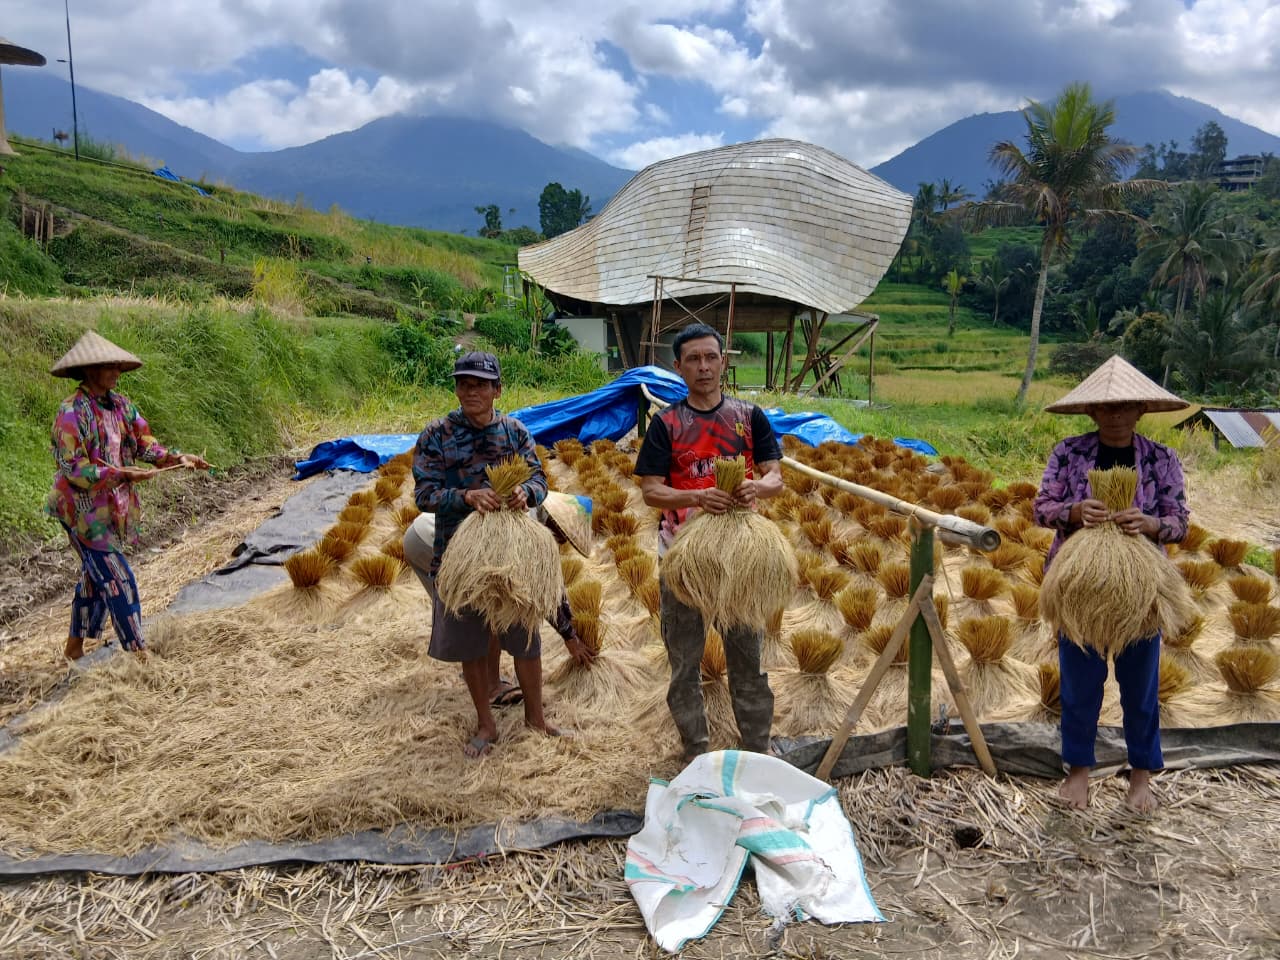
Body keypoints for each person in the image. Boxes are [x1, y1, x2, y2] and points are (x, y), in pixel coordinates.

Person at [1033, 355, 1190, 813]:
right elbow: (1042, 507)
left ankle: (1141, 777)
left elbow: (1180, 522)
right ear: (1092, 412)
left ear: (1141, 410)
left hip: (1140, 590)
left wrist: (1151, 522)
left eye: (1125, 407)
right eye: (1106, 408)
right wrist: (1074, 513)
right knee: (1080, 684)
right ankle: (1078, 772)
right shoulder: (1068, 453)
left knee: (1139, 688)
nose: (1116, 415)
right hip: (1079, 587)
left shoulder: (1161, 460)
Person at [633, 322, 785, 762]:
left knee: (749, 663)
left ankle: (757, 749)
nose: (703, 366)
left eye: (711, 357)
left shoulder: (749, 417)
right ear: (678, 367)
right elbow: (651, 490)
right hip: (684, 562)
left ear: (723, 361)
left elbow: (775, 473)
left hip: (738, 562)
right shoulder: (666, 424)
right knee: (684, 666)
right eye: (693, 359)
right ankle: (695, 753)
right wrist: (697, 496)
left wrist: (760, 487)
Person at [411, 350, 562, 758]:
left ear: (497, 389)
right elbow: (423, 496)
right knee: (471, 643)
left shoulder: (514, 432)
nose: (470, 391)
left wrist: (523, 493)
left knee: (526, 639)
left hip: (512, 557)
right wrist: (466, 496)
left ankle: (536, 717)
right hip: (458, 557)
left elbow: (540, 482)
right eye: (463, 383)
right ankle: (486, 724)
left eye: (479, 384)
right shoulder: (436, 435)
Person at [45, 330, 210, 662]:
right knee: (118, 577)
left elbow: (146, 445)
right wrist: (120, 473)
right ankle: (139, 655)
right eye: (110, 367)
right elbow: (73, 468)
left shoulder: (121, 406)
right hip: (80, 511)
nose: (117, 373)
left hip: (110, 506)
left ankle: (73, 648)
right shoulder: (71, 412)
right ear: (90, 370)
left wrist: (177, 458)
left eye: (119, 367)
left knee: (96, 577)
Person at [403, 490, 597, 708]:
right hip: (431, 543)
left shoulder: (530, 507)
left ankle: (480, 676)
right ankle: (491, 688)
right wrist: (571, 638)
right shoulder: (527, 524)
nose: (561, 543)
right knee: (486, 616)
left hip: (424, 536)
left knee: (484, 613)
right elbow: (546, 593)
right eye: (563, 537)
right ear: (555, 523)